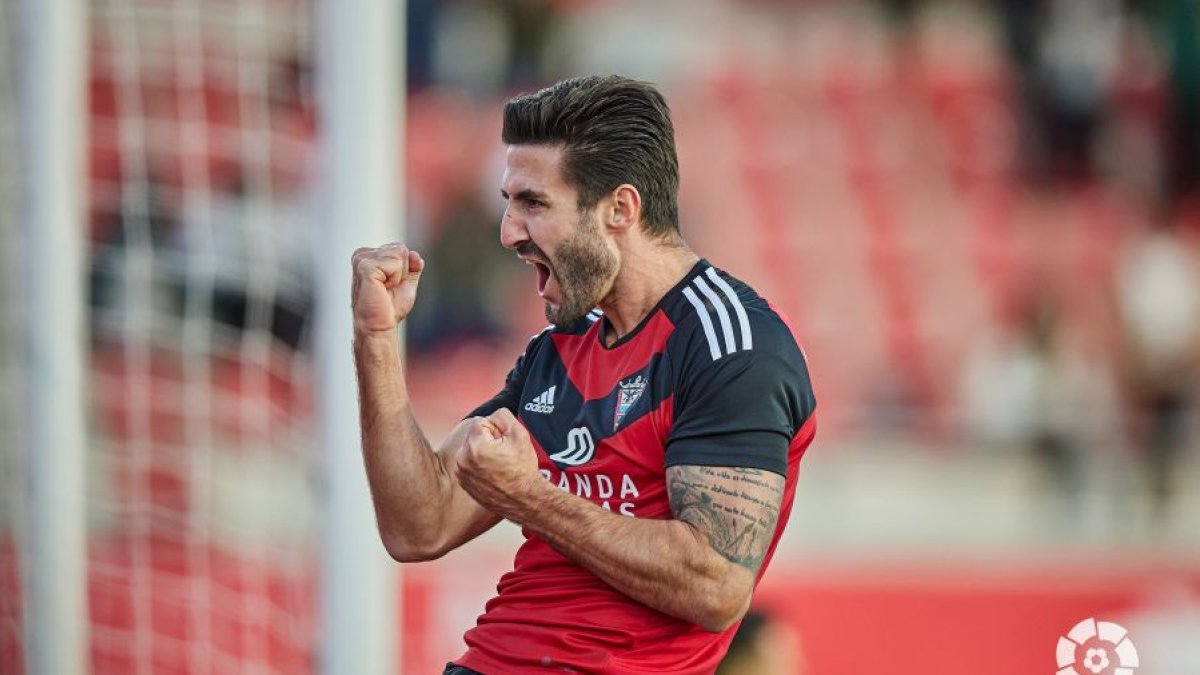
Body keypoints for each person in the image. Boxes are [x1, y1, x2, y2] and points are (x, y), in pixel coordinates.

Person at [351, 75, 817, 674]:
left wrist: (528, 495)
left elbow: (716, 586)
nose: (508, 232)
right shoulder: (561, 346)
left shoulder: (731, 344)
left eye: (534, 204)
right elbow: (418, 526)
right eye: (508, 202)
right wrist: (378, 340)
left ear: (620, 209)